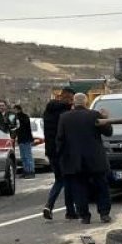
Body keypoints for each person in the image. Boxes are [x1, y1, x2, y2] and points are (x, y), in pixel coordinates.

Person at [56, 93, 112, 224]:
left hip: (74, 160)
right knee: (101, 187)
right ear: (86, 102)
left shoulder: (64, 117)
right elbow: (108, 132)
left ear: (74, 103)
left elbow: (60, 139)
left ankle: (84, 216)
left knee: (79, 189)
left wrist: (61, 158)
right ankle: (104, 214)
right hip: (95, 159)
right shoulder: (94, 115)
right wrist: (106, 118)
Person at [41, 87, 77, 220]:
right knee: (67, 179)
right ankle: (70, 211)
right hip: (62, 150)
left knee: (59, 179)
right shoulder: (65, 112)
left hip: (50, 151)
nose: (72, 102)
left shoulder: (48, 110)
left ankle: (49, 206)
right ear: (67, 97)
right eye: (71, 99)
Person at [13, 104, 35, 178]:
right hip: (21, 139)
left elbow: (24, 126)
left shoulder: (24, 117)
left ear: (19, 109)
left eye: (15, 110)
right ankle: (26, 171)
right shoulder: (16, 118)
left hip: (26, 139)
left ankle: (31, 172)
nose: (14, 111)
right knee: (23, 157)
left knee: (28, 156)